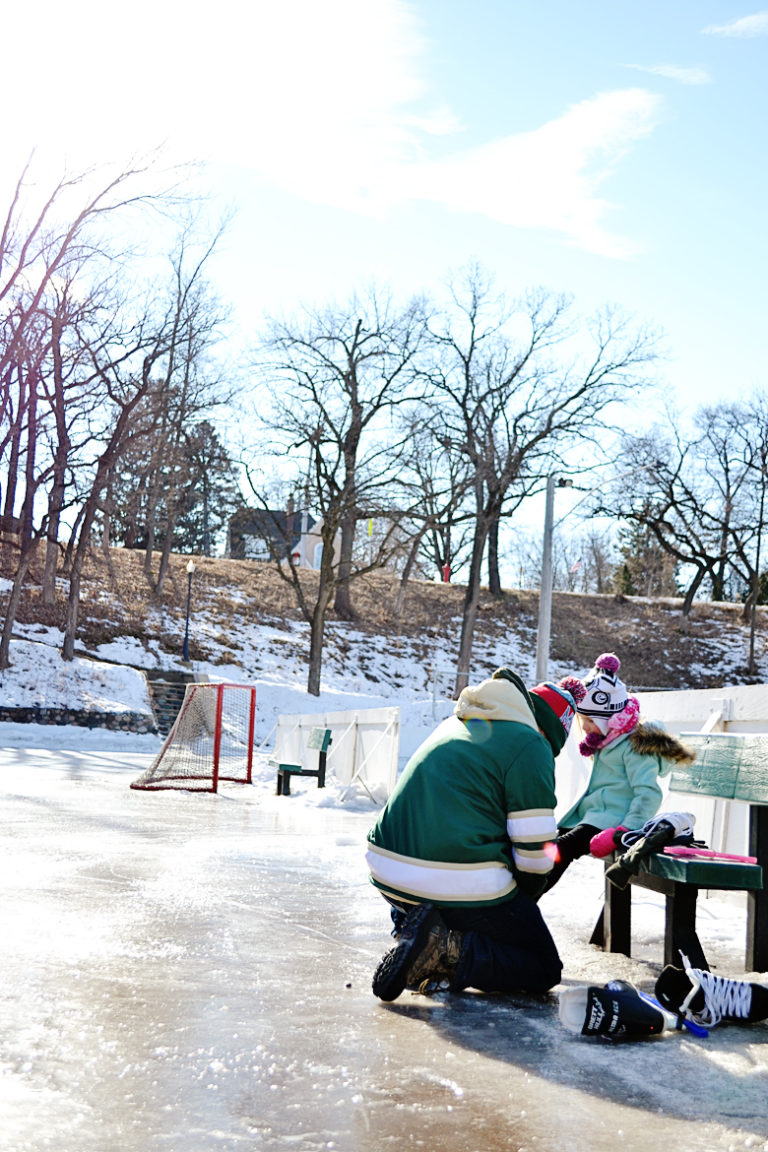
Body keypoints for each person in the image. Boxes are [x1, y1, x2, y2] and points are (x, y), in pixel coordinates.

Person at [366, 667, 584, 1002]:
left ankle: (412, 931)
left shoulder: (454, 723)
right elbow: (536, 857)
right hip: (450, 880)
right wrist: (523, 900)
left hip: (386, 871)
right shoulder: (530, 744)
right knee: (542, 966)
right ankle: (443, 951)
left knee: (483, 905)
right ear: (549, 731)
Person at [540, 652, 695, 894]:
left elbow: (648, 794)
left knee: (561, 849)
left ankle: (525, 903)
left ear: (608, 719)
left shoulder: (634, 745)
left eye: (589, 721)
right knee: (550, 845)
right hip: (595, 817)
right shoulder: (609, 740)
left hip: (613, 822)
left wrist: (623, 831)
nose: (585, 728)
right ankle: (523, 898)